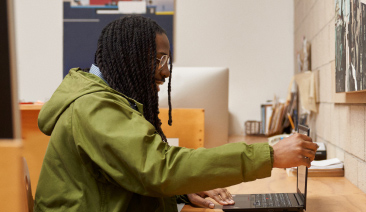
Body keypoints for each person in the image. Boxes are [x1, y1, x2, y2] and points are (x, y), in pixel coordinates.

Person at [33, 15, 318, 212]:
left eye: (168, 61)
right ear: (129, 57)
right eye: (160, 59)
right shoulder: (93, 106)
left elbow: (133, 175)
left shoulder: (106, 100)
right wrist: (270, 156)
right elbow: (160, 168)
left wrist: (182, 191)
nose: (167, 71)